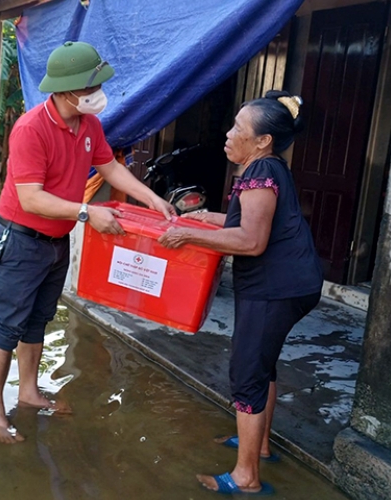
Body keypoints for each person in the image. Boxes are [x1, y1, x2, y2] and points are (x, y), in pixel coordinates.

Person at [0, 41, 175, 444]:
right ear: (67, 90)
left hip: (55, 243)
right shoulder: (31, 129)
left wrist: (152, 199)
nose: (99, 93)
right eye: (91, 86)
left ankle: (29, 392)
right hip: (20, 242)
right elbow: (31, 197)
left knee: (38, 321)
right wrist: (88, 213)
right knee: (6, 326)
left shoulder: (89, 125)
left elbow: (109, 168)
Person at [159, 90, 323, 495]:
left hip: (275, 288)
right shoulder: (266, 167)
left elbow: (251, 241)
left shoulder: (261, 172)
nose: (229, 134)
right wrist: (203, 218)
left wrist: (190, 235)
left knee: (247, 371)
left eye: (238, 128)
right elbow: (242, 220)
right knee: (262, 364)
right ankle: (260, 445)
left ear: (263, 139)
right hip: (288, 284)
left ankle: (246, 477)